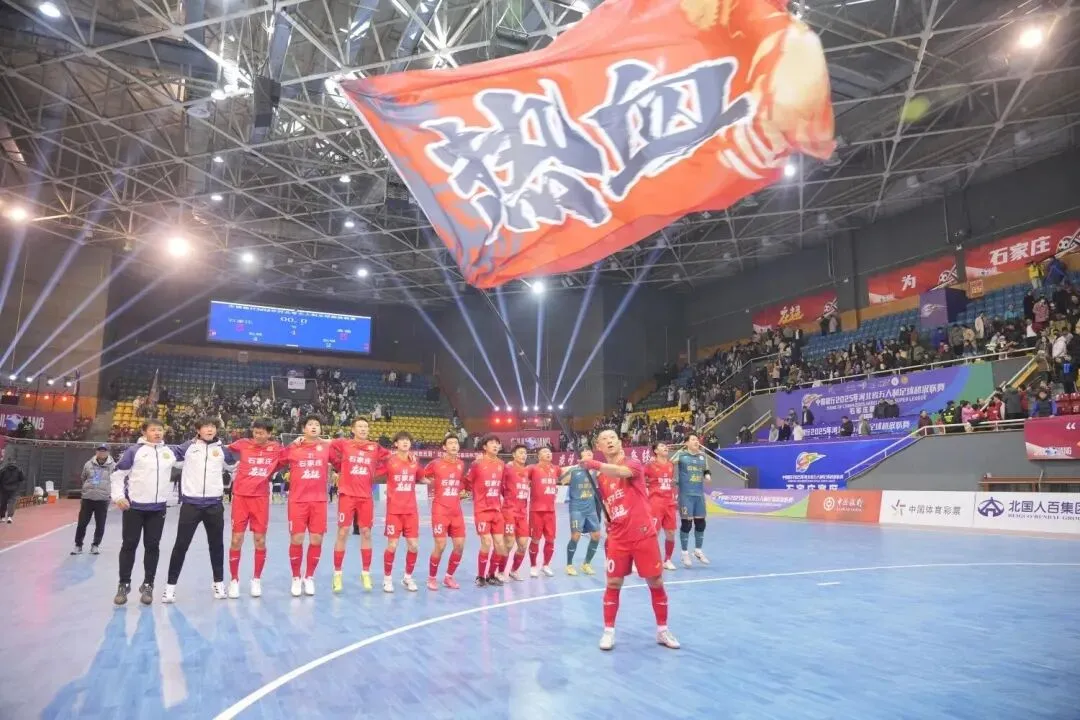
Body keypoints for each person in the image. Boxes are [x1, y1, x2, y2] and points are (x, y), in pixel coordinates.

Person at [585, 428, 679, 651]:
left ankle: (662, 630)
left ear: (620, 442)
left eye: (613, 438)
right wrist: (609, 518)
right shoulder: (601, 477)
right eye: (604, 439)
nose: (609, 441)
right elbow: (608, 502)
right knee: (613, 583)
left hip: (643, 534)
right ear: (598, 447)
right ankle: (608, 632)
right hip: (618, 537)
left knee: (655, 582)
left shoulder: (633, 463)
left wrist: (594, 464)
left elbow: (621, 472)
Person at [161, 419, 236, 603]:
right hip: (191, 505)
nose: (210, 429)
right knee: (181, 546)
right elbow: (165, 456)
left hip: (214, 505)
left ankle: (218, 582)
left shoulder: (222, 450)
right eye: (206, 426)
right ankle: (170, 587)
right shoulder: (187, 447)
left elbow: (236, 467)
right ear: (198, 430)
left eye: (213, 427)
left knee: (216, 546)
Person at [110, 419, 178, 606]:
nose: (157, 433)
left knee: (152, 547)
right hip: (135, 508)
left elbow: (190, 457)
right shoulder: (134, 451)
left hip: (157, 509)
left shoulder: (168, 453)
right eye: (153, 430)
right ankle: (124, 584)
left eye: (160, 430)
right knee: (129, 545)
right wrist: (118, 497)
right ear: (144, 432)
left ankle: (148, 585)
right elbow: (117, 474)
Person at [328, 418, 389, 593]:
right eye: (360, 426)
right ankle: (337, 574)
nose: (363, 429)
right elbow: (328, 445)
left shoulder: (375, 447)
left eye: (365, 427)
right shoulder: (345, 444)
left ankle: (366, 573)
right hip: (347, 495)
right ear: (353, 429)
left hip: (365, 497)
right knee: (343, 532)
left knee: (366, 532)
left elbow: (391, 459)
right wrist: (339, 465)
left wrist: (376, 472)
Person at [226, 419, 281, 598]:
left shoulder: (276, 448)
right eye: (256, 432)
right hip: (241, 498)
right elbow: (222, 448)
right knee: (236, 540)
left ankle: (256, 579)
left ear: (269, 434)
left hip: (260, 499)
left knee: (260, 540)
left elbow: (292, 453)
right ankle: (234, 580)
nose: (258, 435)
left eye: (262, 433)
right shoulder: (242, 444)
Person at [280, 415, 331, 597]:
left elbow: (344, 451)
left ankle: (309, 577)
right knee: (297, 539)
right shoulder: (294, 447)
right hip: (298, 501)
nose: (314, 427)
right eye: (310, 424)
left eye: (317, 424)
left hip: (319, 501)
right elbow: (278, 458)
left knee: (317, 539)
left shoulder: (326, 447)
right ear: (303, 428)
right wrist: (291, 444)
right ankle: (296, 577)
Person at [380, 431, 422, 593]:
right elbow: (374, 472)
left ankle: (407, 577)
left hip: (411, 511)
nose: (405, 442)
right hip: (394, 511)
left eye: (408, 440)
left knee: (414, 546)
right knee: (392, 545)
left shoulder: (414, 461)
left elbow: (423, 477)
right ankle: (387, 579)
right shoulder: (389, 461)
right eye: (402, 440)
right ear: (396, 444)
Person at [423, 434, 466, 590]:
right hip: (440, 510)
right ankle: (431, 578)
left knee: (459, 546)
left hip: (456, 511)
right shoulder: (436, 464)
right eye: (450, 443)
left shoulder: (461, 464)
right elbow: (421, 475)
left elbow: (460, 482)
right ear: (444, 447)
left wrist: (461, 490)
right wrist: (432, 483)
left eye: (456, 443)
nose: (454, 445)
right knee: (440, 545)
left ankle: (449, 577)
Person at [464, 435, 507, 586]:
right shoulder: (477, 464)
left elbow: (503, 486)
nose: (495, 445)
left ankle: (491, 574)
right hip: (482, 510)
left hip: (497, 510)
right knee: (487, 542)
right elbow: (468, 482)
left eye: (497, 443)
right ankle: (481, 576)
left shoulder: (501, 464)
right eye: (492, 443)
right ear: (484, 447)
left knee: (500, 545)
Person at [671, 434, 711, 568]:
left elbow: (706, 470)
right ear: (686, 443)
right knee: (687, 524)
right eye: (693, 439)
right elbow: (668, 465)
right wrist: (675, 480)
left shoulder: (702, 456)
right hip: (686, 495)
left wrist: (707, 476)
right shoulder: (681, 455)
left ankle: (698, 551)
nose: (696, 441)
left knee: (701, 523)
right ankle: (684, 553)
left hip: (699, 495)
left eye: (697, 440)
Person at [561, 449, 602, 575]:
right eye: (586, 452)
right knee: (575, 536)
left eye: (591, 452)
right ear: (580, 457)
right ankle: (569, 565)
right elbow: (560, 478)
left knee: (596, 536)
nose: (589, 454)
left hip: (591, 508)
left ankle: (586, 564)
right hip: (577, 508)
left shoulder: (596, 470)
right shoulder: (573, 470)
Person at [72, 445, 115, 555]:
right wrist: (87, 489)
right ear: (96, 452)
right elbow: (83, 477)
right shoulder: (88, 464)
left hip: (103, 499)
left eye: (104, 451)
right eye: (100, 450)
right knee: (82, 523)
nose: (102, 452)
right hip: (88, 498)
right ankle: (78, 545)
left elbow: (116, 481)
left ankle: (95, 545)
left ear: (108, 453)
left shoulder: (113, 466)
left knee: (100, 524)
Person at [643, 442, 679, 571]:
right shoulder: (649, 465)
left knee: (671, 532)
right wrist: (646, 486)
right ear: (656, 451)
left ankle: (667, 560)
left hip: (669, 503)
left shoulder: (670, 465)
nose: (665, 448)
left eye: (666, 446)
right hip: (655, 502)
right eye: (662, 446)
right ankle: (645, 559)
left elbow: (669, 480)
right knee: (653, 533)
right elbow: (640, 478)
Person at [527, 447, 560, 578]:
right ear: (539, 456)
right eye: (545, 452)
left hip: (551, 511)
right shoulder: (533, 469)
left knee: (550, 539)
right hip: (536, 511)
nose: (548, 453)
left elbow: (567, 470)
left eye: (549, 452)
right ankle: (533, 566)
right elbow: (519, 473)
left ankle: (546, 565)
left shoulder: (555, 469)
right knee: (535, 539)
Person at [500, 444, 531, 581]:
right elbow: (500, 485)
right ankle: (501, 572)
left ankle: (514, 571)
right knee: (509, 543)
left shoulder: (527, 471)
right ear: (514, 455)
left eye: (525, 453)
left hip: (522, 513)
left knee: (523, 545)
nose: (523, 455)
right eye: (520, 452)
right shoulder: (507, 468)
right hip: (509, 511)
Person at [0, 452, 25, 524]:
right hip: (14, 489)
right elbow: (22, 478)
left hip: (3, 489)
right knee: (12, 503)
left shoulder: (3, 469)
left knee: (3, 503)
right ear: (15, 462)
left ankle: (2, 517)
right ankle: (9, 517)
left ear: (8, 461)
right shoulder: (19, 470)